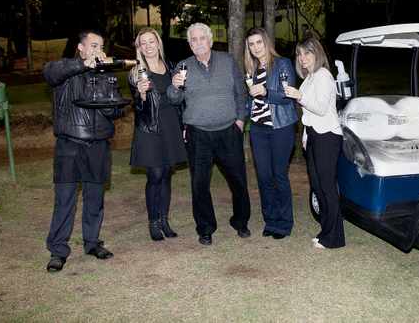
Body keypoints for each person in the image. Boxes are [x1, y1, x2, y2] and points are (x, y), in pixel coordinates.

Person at [43, 30, 123, 272]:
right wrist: (82, 65)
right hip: (69, 144)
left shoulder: (106, 74)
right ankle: (58, 250)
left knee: (95, 199)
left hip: (98, 145)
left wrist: (110, 107)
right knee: (65, 200)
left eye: (101, 46)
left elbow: (116, 109)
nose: (98, 50)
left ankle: (92, 242)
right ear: (81, 47)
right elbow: (49, 72)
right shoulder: (66, 70)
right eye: (93, 45)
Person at [167, 23, 251, 246]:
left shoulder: (227, 61)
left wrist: (240, 120)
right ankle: (205, 228)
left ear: (210, 40)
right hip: (198, 135)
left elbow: (240, 92)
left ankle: (241, 221)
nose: (198, 43)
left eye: (202, 38)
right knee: (200, 184)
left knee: (238, 180)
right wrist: (175, 86)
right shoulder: (183, 66)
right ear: (189, 44)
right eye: (193, 40)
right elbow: (174, 99)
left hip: (229, 131)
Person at [284, 36, 345, 249]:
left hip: (328, 135)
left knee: (327, 187)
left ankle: (334, 238)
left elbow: (319, 108)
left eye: (307, 53)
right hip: (314, 135)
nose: (302, 58)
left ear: (317, 53)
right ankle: (326, 231)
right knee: (318, 186)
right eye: (299, 54)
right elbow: (309, 114)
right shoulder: (309, 78)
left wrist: (299, 96)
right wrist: (305, 135)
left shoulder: (324, 75)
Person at [128, 28, 187, 241]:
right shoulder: (136, 72)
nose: (148, 46)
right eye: (143, 43)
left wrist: (179, 88)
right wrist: (141, 94)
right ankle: (153, 222)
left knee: (167, 173)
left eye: (151, 41)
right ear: (139, 48)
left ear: (158, 43)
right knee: (155, 174)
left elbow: (178, 98)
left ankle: (164, 220)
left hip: (170, 124)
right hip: (149, 127)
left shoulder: (171, 66)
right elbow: (137, 106)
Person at [244, 28, 298, 239]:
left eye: (259, 42)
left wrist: (266, 92)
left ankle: (285, 223)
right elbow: (251, 100)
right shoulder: (252, 69)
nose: (256, 47)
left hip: (280, 127)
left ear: (266, 42)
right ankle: (271, 220)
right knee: (264, 177)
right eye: (251, 44)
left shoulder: (282, 63)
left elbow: (287, 95)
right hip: (258, 129)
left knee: (279, 175)